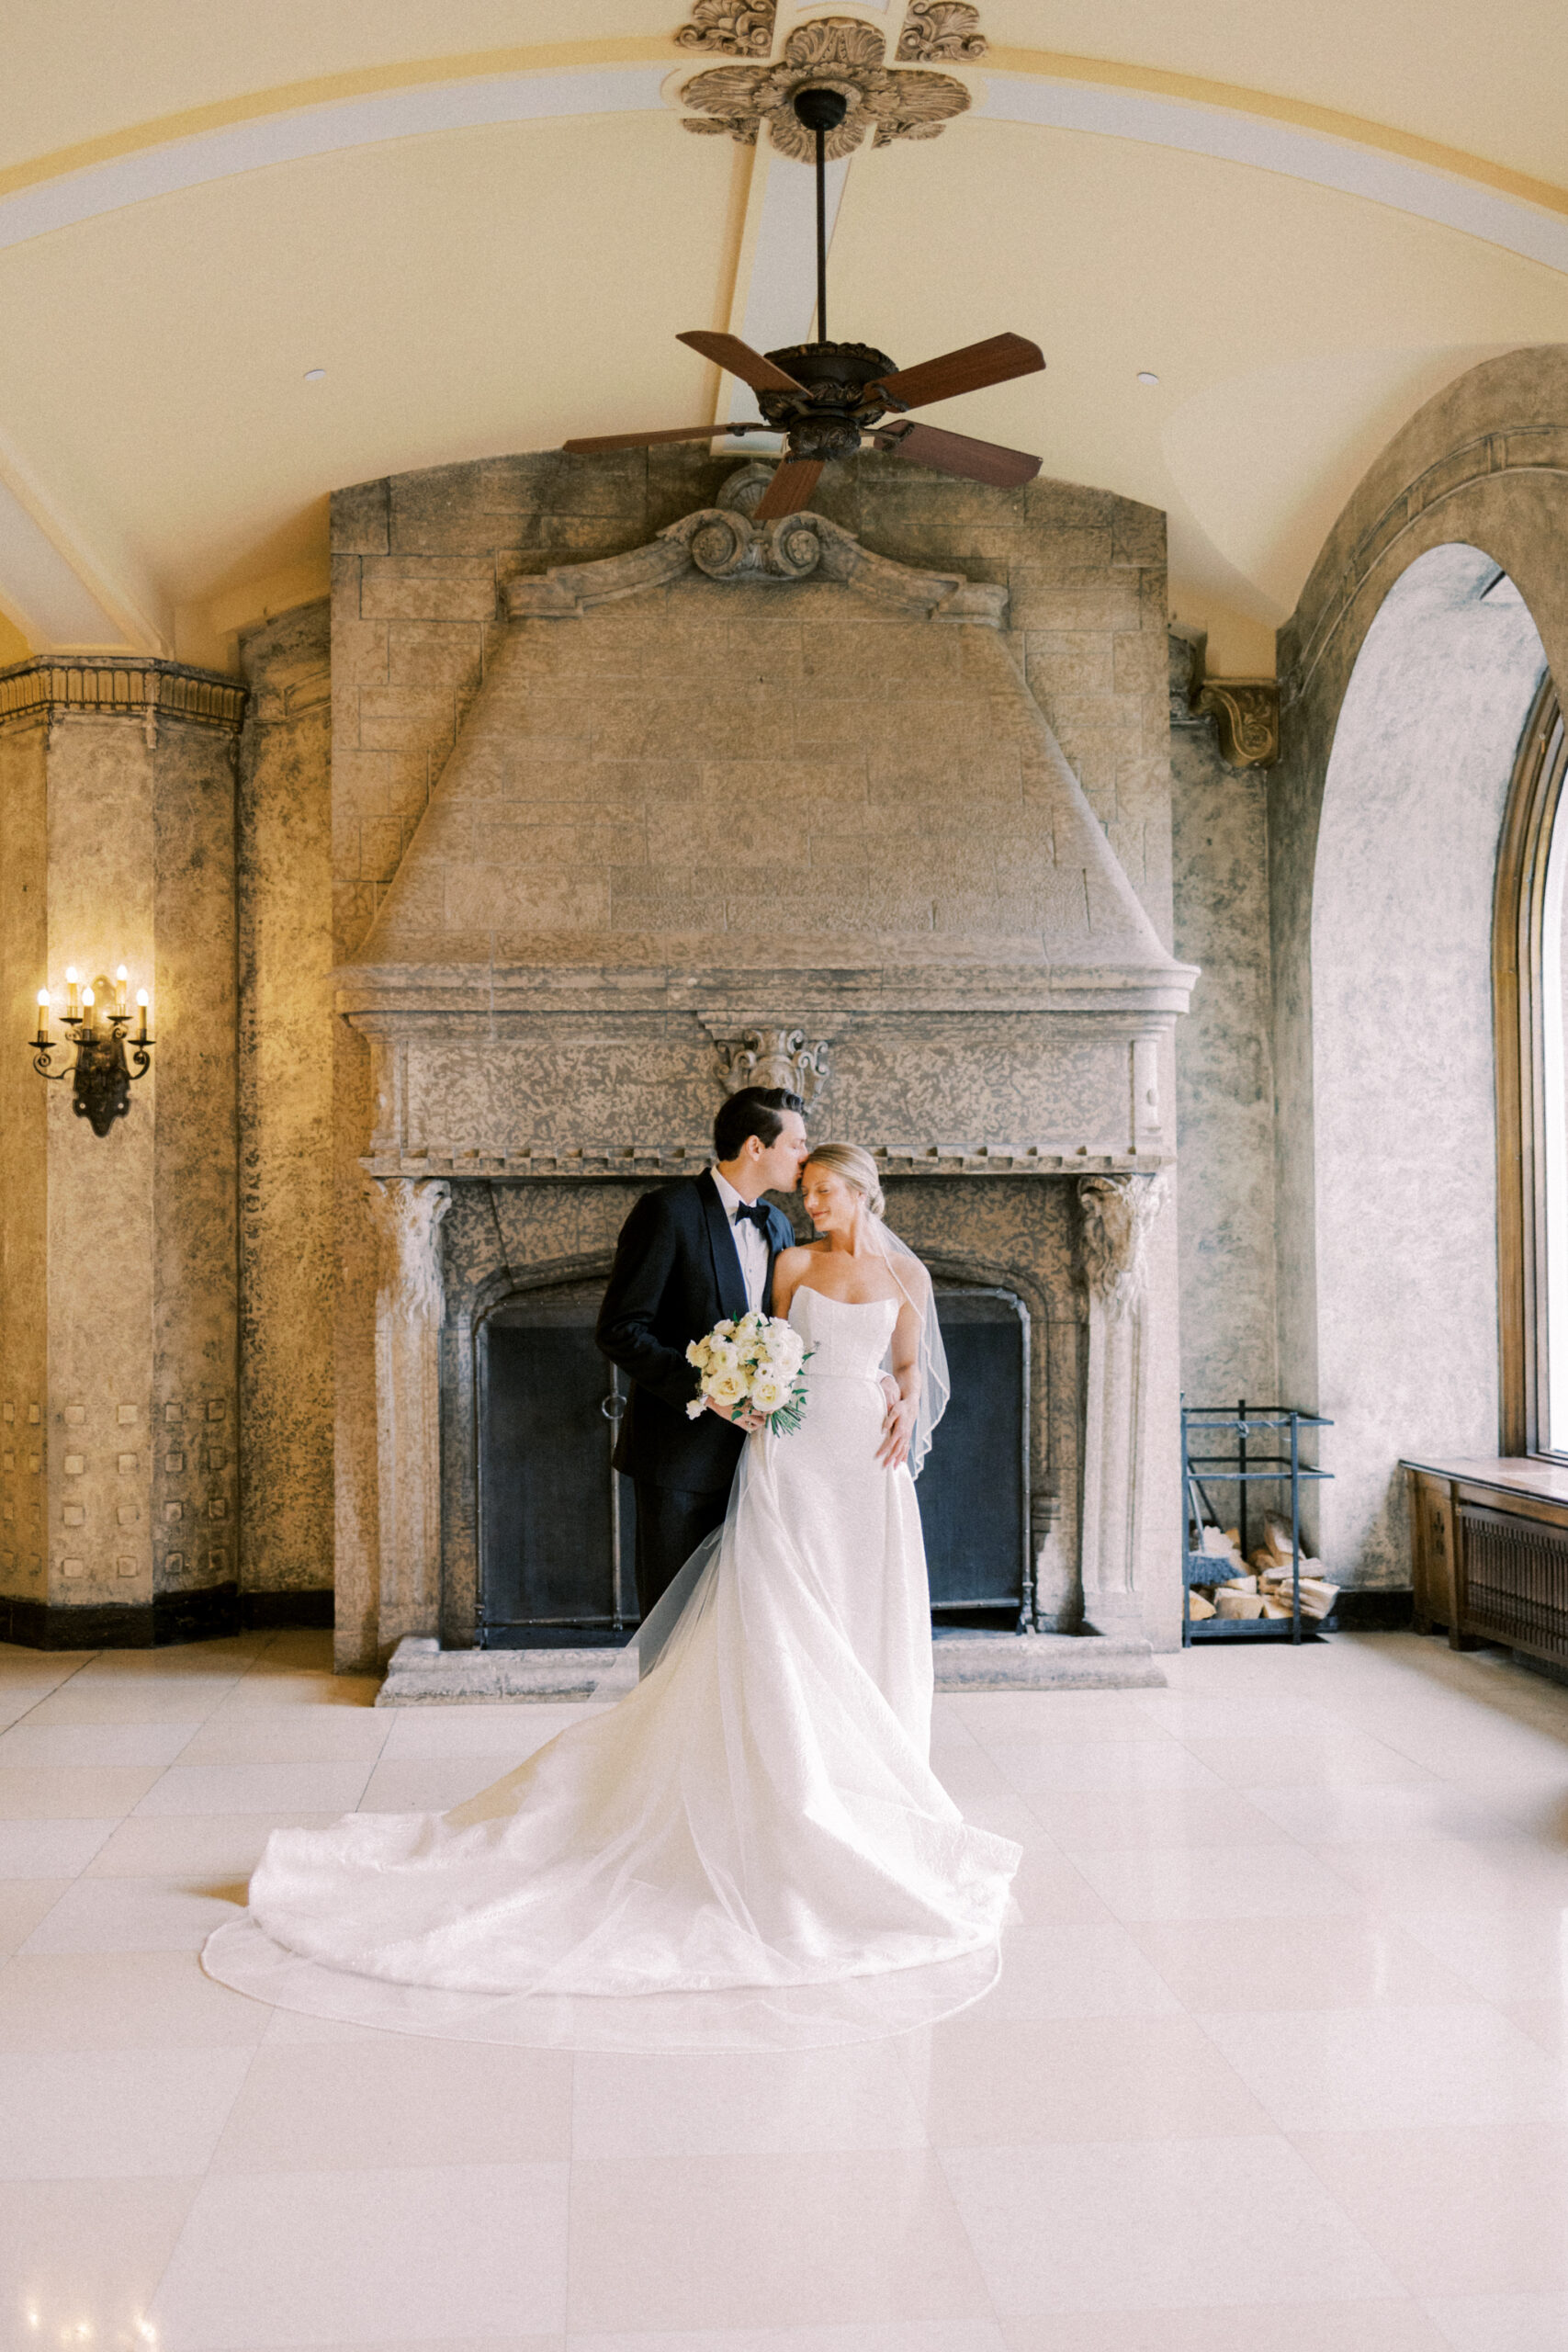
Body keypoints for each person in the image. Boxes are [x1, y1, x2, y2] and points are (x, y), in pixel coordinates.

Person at [201, 1138, 1021, 2048]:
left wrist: (907, 1401)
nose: (811, 1202)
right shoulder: (789, 1262)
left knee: (857, 1611)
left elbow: (911, 1367)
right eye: (809, 1187)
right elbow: (774, 1341)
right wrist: (751, 1392)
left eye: (827, 1192)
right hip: (790, 1456)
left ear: (865, 1193)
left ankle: (868, 1782)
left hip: (863, 1464)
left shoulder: (906, 1275)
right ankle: (786, 1776)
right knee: (782, 1612)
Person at [596, 1085, 808, 1617]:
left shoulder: (779, 1226)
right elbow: (621, 1328)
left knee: (743, 1622)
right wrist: (707, 1392)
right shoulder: (666, 1212)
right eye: (798, 1144)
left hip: (756, 1465)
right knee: (673, 1622)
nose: (806, 1158)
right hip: (677, 1461)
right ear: (756, 1147)